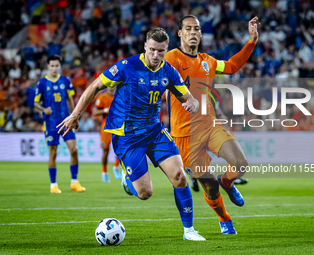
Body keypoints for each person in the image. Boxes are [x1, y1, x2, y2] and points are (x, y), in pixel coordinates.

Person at [57, 28, 205, 241]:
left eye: (161, 51)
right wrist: (75, 114)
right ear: (145, 46)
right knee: (145, 193)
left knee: (180, 177)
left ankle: (189, 231)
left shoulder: (169, 72)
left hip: (155, 131)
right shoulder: (127, 67)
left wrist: (192, 103)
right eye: (152, 50)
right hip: (128, 136)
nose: (156, 55)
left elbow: (188, 97)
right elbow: (96, 86)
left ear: (166, 50)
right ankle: (129, 181)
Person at [164, 15, 259, 234]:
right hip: (184, 136)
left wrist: (251, 41)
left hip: (210, 126)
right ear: (180, 33)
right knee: (210, 186)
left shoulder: (208, 61)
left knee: (240, 164)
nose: (193, 33)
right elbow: (159, 77)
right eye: (188, 29)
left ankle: (228, 182)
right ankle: (224, 218)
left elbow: (233, 66)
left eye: (196, 29)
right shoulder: (172, 58)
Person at [34, 55, 85, 194]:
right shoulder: (42, 83)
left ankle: (74, 181)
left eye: (57, 66)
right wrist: (43, 109)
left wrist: (74, 117)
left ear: (60, 66)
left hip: (66, 121)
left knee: (74, 150)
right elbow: (36, 103)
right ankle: (53, 184)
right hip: (51, 123)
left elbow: (70, 100)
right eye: (52, 66)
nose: (54, 68)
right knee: (53, 153)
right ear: (48, 66)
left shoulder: (65, 80)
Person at [92, 88, 121, 182]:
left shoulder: (119, 95)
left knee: (120, 149)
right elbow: (95, 112)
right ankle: (104, 173)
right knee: (105, 152)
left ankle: (115, 166)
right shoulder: (102, 97)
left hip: (118, 126)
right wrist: (105, 110)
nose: (111, 86)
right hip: (106, 128)